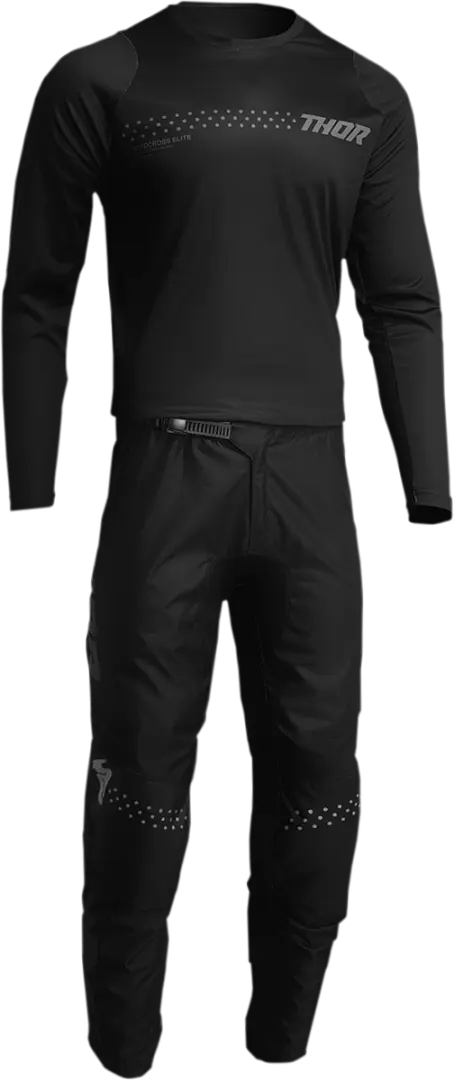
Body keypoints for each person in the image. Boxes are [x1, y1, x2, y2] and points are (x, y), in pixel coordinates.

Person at [0, 4, 451, 1076]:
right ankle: (122, 1056)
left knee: (322, 771)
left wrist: (426, 479)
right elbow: (39, 291)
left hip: (311, 479)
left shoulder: (366, 93)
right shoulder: (101, 79)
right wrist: (33, 476)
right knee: (138, 769)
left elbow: (401, 299)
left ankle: (283, 1048)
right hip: (165, 472)